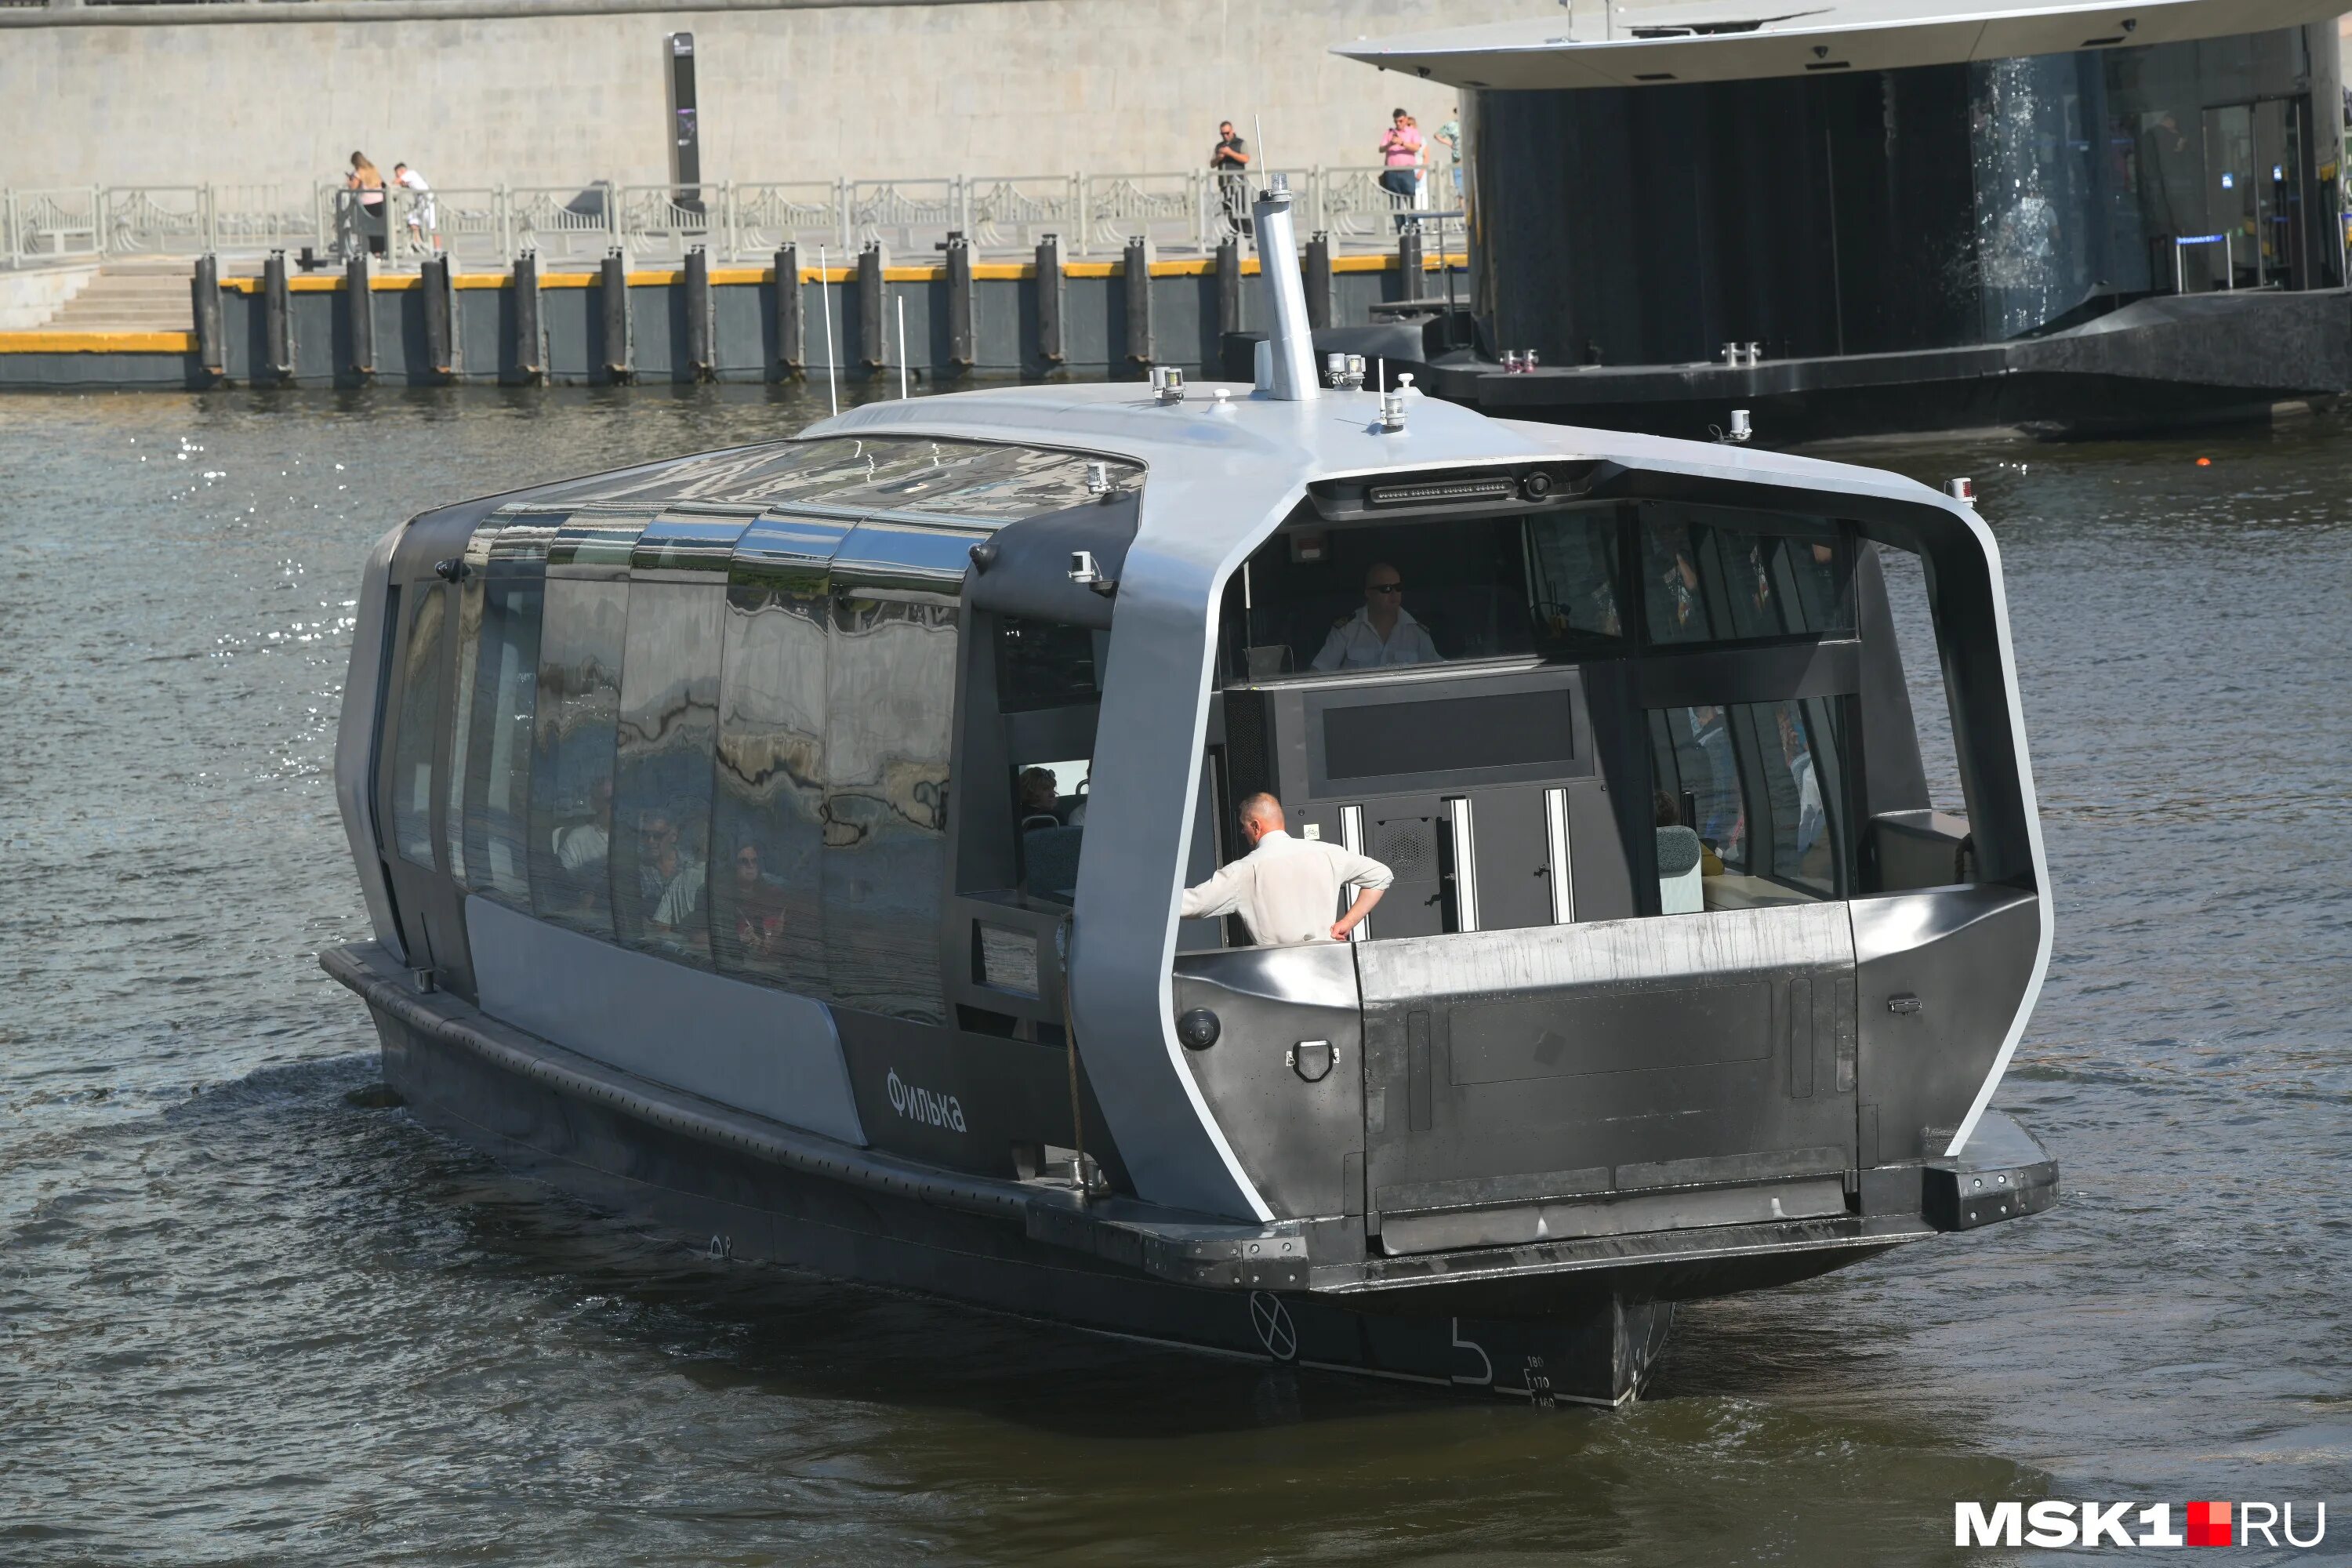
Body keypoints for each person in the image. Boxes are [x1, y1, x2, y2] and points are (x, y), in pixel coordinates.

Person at [1181, 793, 1392, 946]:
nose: (1243, 832)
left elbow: (1194, 904)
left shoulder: (1244, 871)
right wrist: (1347, 923)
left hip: (1279, 972)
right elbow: (1381, 875)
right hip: (1330, 965)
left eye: (1243, 826)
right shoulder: (1328, 853)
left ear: (1256, 826)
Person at [1312, 561, 1441, 671]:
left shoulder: (1416, 632)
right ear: (1369, 593)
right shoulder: (1347, 630)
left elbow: (1439, 674)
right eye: (1387, 589)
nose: (1394, 594)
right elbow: (1318, 674)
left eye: (1398, 587)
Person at [727, 840, 788, 960]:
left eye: (754, 861)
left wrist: (772, 940)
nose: (751, 865)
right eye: (744, 861)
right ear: (734, 866)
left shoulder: (772, 895)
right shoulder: (726, 899)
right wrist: (740, 939)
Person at [1377, 108, 1423, 230]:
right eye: (1396, 121)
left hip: (1407, 172)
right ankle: (1401, 229)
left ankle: (1414, 227)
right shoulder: (1389, 132)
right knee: (1396, 203)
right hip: (1392, 173)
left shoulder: (1413, 132)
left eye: (1401, 121)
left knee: (1411, 200)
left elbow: (1416, 147)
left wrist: (1402, 143)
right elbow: (1381, 149)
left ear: (1406, 119)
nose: (1398, 124)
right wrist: (1390, 144)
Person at [1210, 121, 1251, 240]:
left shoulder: (1240, 143)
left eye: (1227, 133)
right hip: (1225, 185)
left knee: (1242, 211)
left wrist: (1230, 153)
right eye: (1222, 134)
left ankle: (1249, 237)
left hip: (1239, 184)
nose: (1225, 136)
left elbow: (1246, 158)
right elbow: (1212, 164)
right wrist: (1219, 157)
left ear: (1232, 131)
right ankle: (1234, 237)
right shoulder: (1219, 146)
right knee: (1229, 212)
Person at [345, 153, 387, 258]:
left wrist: (349, 182)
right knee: (378, 227)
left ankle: (371, 252)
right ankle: (380, 251)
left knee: (368, 228)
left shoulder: (358, 172)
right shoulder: (373, 169)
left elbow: (353, 187)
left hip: (367, 203)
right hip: (379, 200)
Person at [391, 162, 437, 252]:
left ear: (402, 171)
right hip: (421, 202)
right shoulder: (410, 178)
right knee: (412, 218)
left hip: (427, 200)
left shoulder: (410, 174)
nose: (397, 176)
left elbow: (396, 182)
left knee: (432, 226)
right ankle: (418, 241)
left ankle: (438, 249)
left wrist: (387, 186)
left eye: (397, 174)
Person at [1433, 109, 1462, 201]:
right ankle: (1465, 215)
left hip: (1472, 162)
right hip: (1458, 162)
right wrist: (1449, 143)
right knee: (1461, 193)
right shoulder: (1452, 126)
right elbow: (1437, 135)